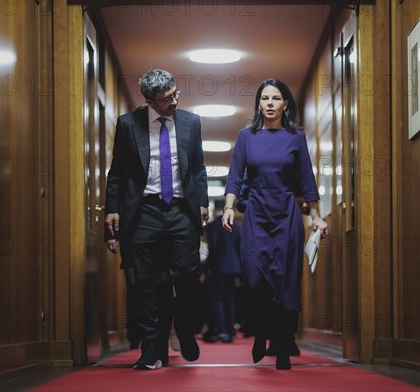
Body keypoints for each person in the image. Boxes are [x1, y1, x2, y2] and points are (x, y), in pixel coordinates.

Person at [104, 69, 209, 370]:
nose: (175, 101)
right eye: (166, 99)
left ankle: (185, 328)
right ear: (149, 101)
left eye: (176, 93)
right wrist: (113, 208)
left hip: (180, 209)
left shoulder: (191, 122)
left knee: (188, 275)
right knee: (146, 284)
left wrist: (201, 202)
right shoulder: (128, 124)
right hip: (144, 211)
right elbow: (117, 172)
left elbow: (199, 168)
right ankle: (151, 350)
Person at [222, 78, 328, 370]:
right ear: (258, 103)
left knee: (285, 280)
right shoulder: (246, 136)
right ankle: (262, 330)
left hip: (287, 215)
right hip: (256, 214)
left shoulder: (295, 138)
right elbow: (234, 176)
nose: (269, 103)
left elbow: (307, 180)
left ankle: (281, 344)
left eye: (276, 98)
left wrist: (316, 215)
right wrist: (229, 207)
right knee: (256, 277)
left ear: (285, 104)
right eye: (265, 98)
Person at [204, 201, 243, 343]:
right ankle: (231, 330)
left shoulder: (214, 225)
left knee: (218, 300)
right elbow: (240, 250)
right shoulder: (237, 227)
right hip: (234, 268)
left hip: (219, 268)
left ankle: (223, 331)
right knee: (230, 299)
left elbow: (213, 248)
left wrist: (207, 268)